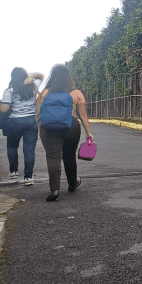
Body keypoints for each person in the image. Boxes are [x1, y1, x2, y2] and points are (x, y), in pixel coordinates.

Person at [36, 65, 93, 201]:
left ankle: (54, 190)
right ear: (68, 76)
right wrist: (89, 133)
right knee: (69, 155)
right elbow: (83, 115)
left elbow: (38, 114)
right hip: (71, 125)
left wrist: (40, 129)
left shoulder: (45, 93)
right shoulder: (76, 93)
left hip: (48, 127)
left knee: (53, 156)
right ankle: (72, 183)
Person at [0, 68, 44, 185]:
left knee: (12, 147)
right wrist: (33, 76)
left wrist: (1, 104)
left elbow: (4, 109)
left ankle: (13, 172)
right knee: (29, 150)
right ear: (25, 76)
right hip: (30, 122)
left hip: (15, 122)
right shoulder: (33, 87)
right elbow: (41, 76)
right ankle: (28, 177)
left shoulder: (10, 91)